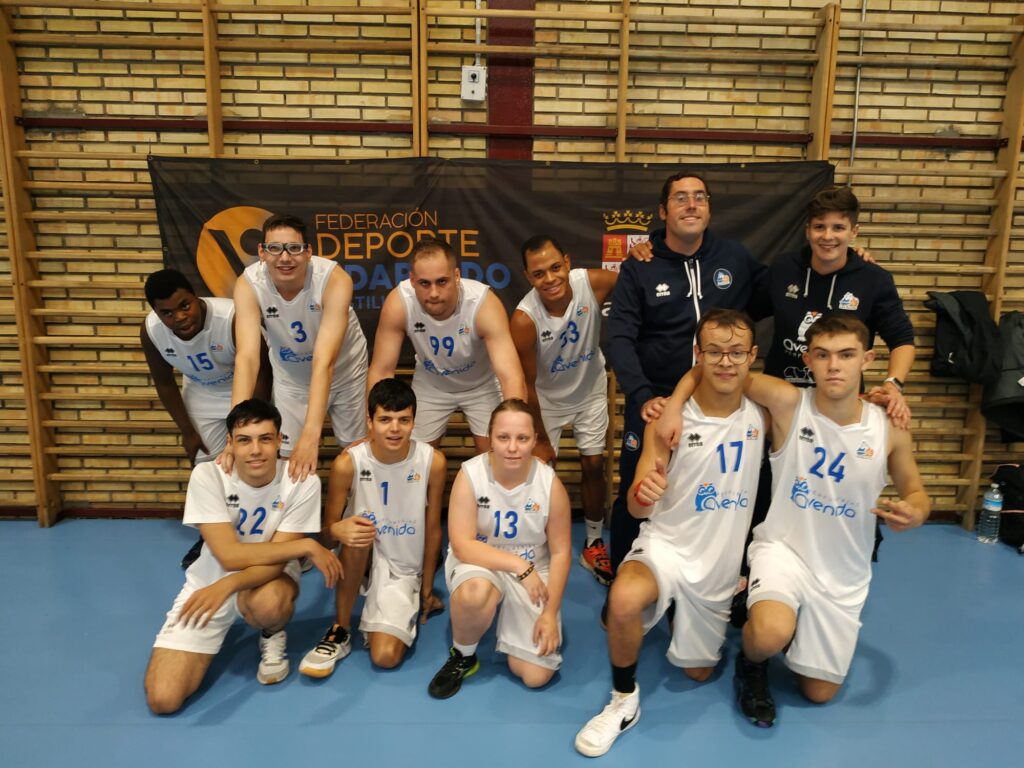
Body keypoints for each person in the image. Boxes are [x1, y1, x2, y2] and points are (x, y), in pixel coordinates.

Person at [574, 310, 765, 757]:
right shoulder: (667, 422)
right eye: (713, 351)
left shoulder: (765, 414)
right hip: (668, 547)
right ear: (697, 354)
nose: (725, 361)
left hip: (717, 566)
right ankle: (623, 700)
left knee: (698, 673)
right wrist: (645, 493)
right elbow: (637, 507)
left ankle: (684, 608)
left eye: (736, 352)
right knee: (623, 600)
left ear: (752, 355)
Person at [723, 315, 929, 727]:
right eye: (823, 355)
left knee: (818, 693)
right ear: (808, 360)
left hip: (843, 572)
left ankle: (788, 621)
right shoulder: (789, 403)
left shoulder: (888, 426)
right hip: (783, 551)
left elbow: (917, 492)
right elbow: (722, 371)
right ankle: (751, 661)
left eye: (846, 355)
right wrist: (673, 404)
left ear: (867, 360)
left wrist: (915, 512)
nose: (834, 366)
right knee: (768, 634)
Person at [606, 172, 770, 572]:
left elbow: (782, 291)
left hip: (722, 402)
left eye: (700, 197)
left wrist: (846, 259)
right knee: (639, 489)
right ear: (663, 212)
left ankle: (738, 576)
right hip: (658, 400)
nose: (692, 205)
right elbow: (619, 336)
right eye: (681, 198)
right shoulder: (641, 266)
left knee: (738, 489)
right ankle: (625, 572)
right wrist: (642, 395)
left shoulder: (734, 258)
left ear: (709, 208)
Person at [144, 399, 342, 715]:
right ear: (230, 443)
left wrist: (229, 585)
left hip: (267, 579)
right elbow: (228, 555)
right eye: (244, 440)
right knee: (163, 699)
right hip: (208, 582)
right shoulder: (208, 475)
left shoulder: (302, 481)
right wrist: (305, 546)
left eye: (265, 439)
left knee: (270, 604)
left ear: (279, 440)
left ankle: (271, 631)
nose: (256, 450)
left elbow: (277, 563)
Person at [298, 378, 447, 677]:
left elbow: (433, 529)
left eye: (404, 420)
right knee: (359, 531)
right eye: (385, 419)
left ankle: (386, 610)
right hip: (361, 558)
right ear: (370, 421)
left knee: (385, 657)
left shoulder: (433, 461)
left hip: (403, 565)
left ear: (414, 422)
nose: (395, 429)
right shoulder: (348, 463)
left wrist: (427, 588)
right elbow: (327, 536)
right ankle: (340, 628)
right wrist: (337, 530)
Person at [427, 399, 572, 699]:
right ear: (490, 438)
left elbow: (560, 552)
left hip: (534, 567)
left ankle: (511, 619)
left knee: (535, 676)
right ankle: (463, 655)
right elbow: (462, 545)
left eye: (522, 438)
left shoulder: (549, 484)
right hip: (482, 562)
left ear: (535, 439)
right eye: (503, 437)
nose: (512, 447)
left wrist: (550, 613)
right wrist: (520, 566)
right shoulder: (471, 475)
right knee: (475, 594)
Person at [141, 268, 271, 568]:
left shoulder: (232, 317)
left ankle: (262, 531)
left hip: (247, 386)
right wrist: (187, 430)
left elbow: (263, 373)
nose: (180, 317)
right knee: (206, 466)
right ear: (157, 313)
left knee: (254, 455)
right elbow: (164, 382)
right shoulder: (151, 331)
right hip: (202, 391)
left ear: (196, 297)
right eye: (167, 313)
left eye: (185, 305)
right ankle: (213, 535)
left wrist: (247, 423)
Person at [511, 235, 618, 585]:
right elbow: (527, 384)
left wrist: (649, 253)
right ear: (528, 277)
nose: (550, 278)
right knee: (539, 472)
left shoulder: (593, 283)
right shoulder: (524, 319)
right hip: (547, 399)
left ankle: (593, 542)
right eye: (539, 273)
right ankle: (532, 545)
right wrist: (540, 438)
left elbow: (639, 282)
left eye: (555, 267)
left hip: (589, 389)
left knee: (594, 464)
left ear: (568, 263)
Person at [230, 213, 368, 481]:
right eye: (274, 248)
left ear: (308, 252)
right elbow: (247, 358)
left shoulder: (334, 279)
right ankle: (292, 508)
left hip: (345, 373)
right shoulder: (248, 284)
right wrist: (234, 428)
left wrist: (311, 434)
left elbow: (324, 360)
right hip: (291, 378)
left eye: (294, 248)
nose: (284, 258)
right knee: (288, 457)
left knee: (356, 452)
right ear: (261, 252)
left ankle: (356, 504)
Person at [367, 237, 526, 454]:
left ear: (457, 276)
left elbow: (511, 376)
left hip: (482, 385)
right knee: (411, 456)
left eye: (442, 282)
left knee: (497, 452)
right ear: (412, 280)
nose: (434, 293)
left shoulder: (483, 304)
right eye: (424, 283)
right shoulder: (399, 303)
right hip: (431, 384)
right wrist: (374, 426)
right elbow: (381, 370)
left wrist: (515, 426)